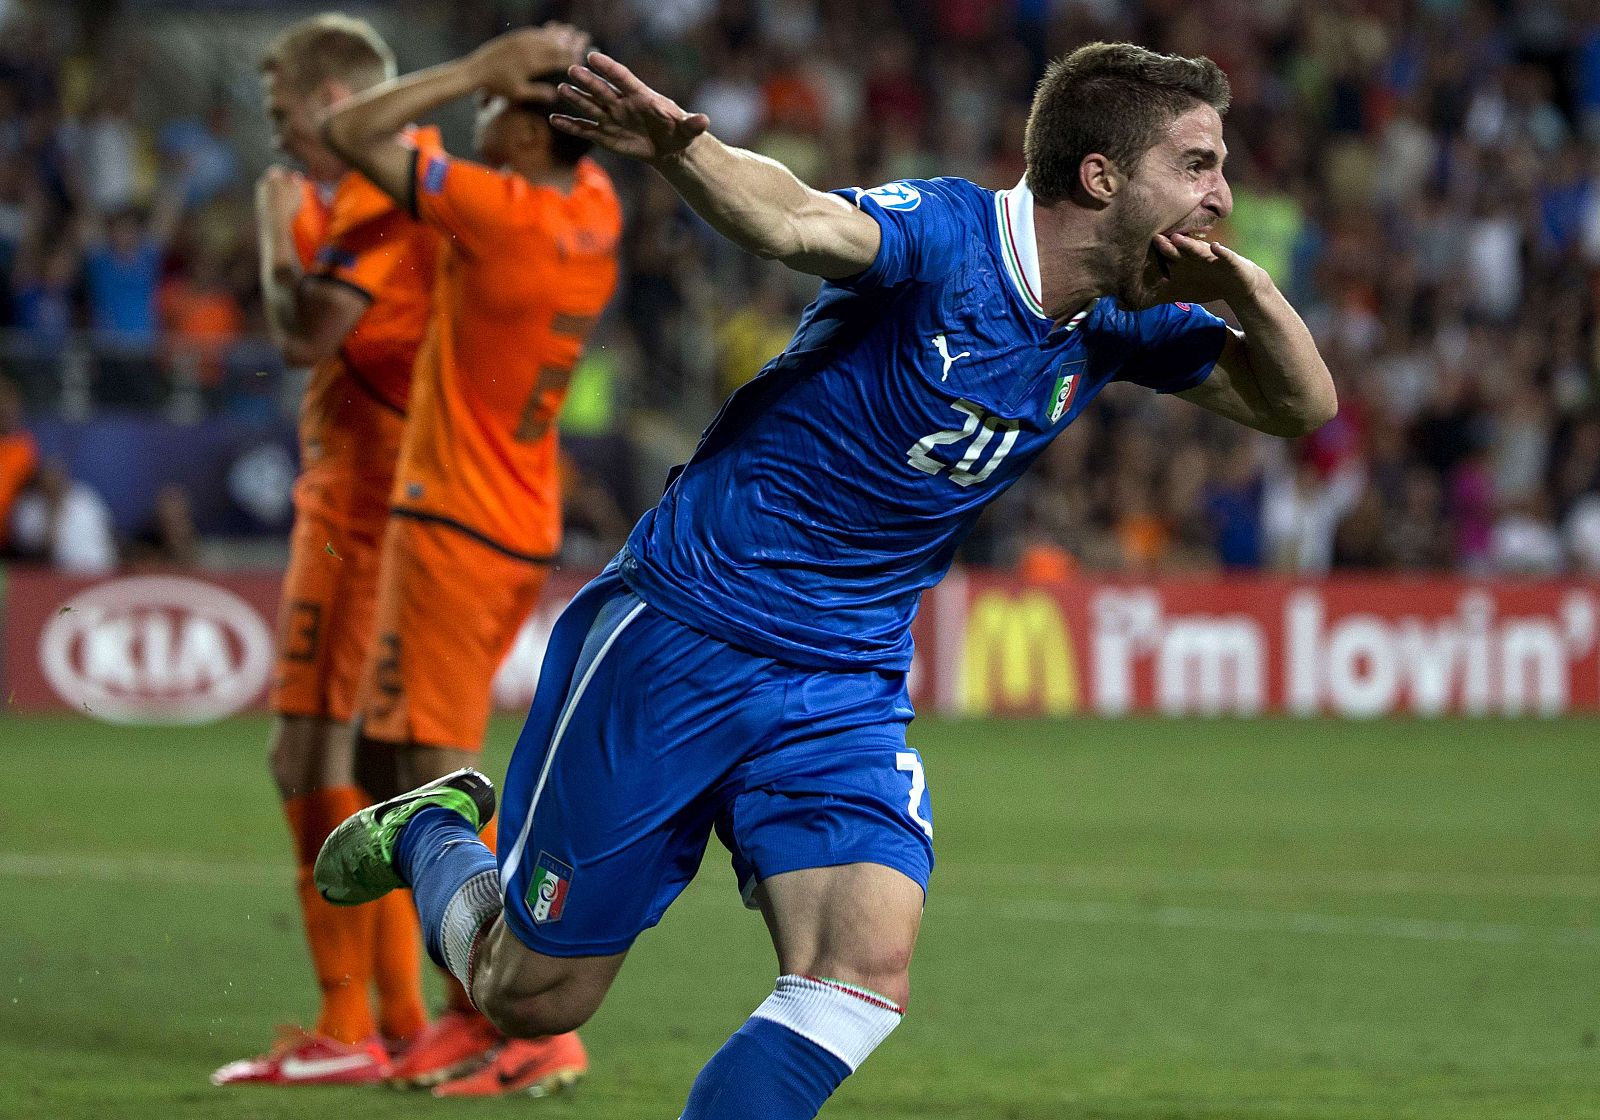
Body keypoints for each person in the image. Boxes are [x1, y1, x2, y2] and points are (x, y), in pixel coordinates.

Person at [316, 40, 1336, 1120]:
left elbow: (1298, 407)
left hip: (844, 674)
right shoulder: (951, 236)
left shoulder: (1121, 323)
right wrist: (682, 150)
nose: (1222, 195)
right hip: (683, 631)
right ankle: (433, 833)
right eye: (1197, 164)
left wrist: (1254, 293)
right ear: (1101, 177)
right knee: (532, 998)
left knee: (860, 976)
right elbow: (794, 219)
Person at [317, 22, 620, 1097]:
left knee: (434, 776)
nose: (476, 116)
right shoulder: (592, 207)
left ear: (529, 132)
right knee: (397, 761)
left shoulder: (502, 213)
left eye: (494, 106)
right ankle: (467, 1006)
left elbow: (343, 129)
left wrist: (472, 67)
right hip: (508, 514)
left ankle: (533, 1022)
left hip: (454, 519)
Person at [211, 13, 440, 1088]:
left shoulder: (372, 198)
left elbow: (298, 331)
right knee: (345, 761)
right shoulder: (404, 187)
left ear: (336, 103)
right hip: (363, 501)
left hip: (363, 513)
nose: (277, 141)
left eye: (283, 116)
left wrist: (272, 229)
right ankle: (389, 1017)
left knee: (314, 760)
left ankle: (354, 1022)